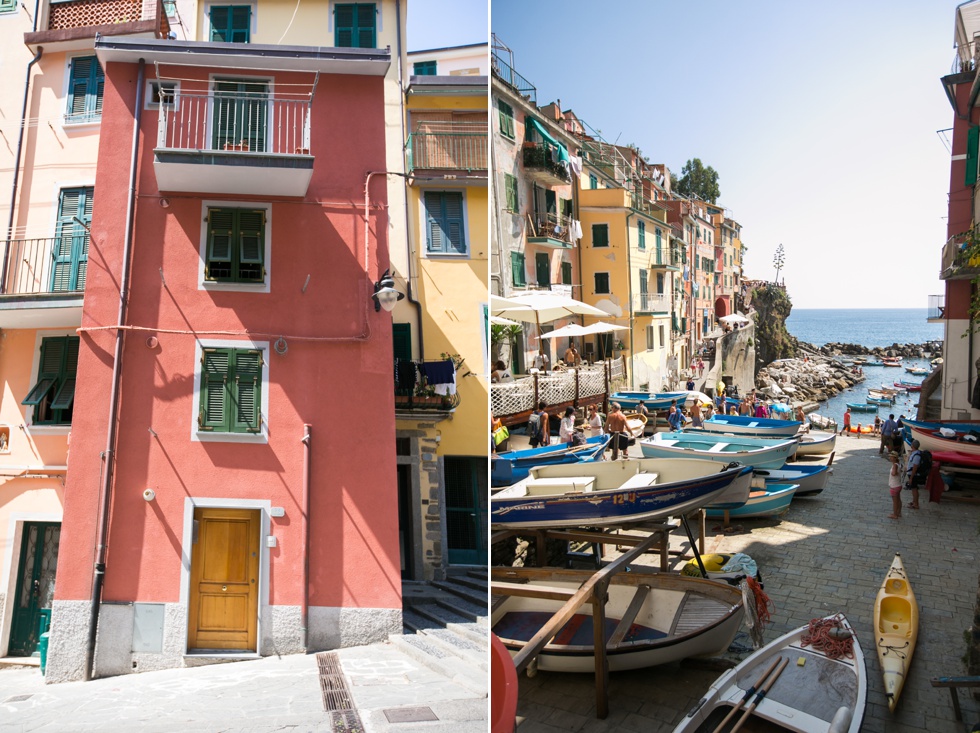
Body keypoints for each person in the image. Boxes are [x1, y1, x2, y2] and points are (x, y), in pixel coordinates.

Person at [905, 439, 924, 510]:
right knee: (913, 489)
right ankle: (914, 501)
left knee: (914, 489)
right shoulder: (915, 453)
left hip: (914, 475)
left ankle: (916, 504)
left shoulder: (916, 455)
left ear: (912, 445)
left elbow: (915, 467)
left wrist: (911, 478)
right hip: (911, 474)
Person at [887, 451, 902, 519]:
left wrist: (893, 471)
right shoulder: (898, 464)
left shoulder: (895, 465)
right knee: (899, 499)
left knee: (895, 501)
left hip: (894, 485)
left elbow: (894, 473)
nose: (890, 458)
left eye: (891, 457)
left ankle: (895, 514)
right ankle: (899, 512)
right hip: (898, 484)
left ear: (894, 458)